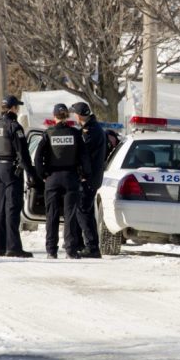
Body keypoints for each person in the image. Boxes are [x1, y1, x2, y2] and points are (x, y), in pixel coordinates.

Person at [34, 103, 90, 259]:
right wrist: (84, 174)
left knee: (51, 215)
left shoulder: (48, 134)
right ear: (67, 116)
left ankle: (51, 250)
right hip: (71, 178)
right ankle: (71, 250)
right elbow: (84, 156)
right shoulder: (75, 134)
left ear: (54, 117)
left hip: (52, 178)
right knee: (70, 215)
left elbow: (38, 157)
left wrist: (42, 174)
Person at [0, 95, 41, 258]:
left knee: (1, 207)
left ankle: (0, 246)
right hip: (11, 170)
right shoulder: (14, 127)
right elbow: (23, 153)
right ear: (12, 108)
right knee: (12, 208)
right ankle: (13, 247)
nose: (18, 110)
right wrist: (32, 175)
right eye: (17, 107)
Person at [69, 102, 106, 258]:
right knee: (85, 211)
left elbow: (83, 154)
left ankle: (92, 247)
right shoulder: (92, 128)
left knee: (83, 211)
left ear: (79, 115)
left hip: (89, 178)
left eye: (74, 114)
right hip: (91, 177)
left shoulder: (91, 131)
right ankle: (83, 244)